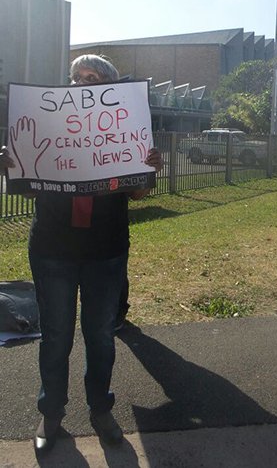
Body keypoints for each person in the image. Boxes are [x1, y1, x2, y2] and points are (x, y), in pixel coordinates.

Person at [0, 54, 163, 453]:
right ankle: (50, 413)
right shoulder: (45, 123)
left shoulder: (122, 125)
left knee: (100, 337)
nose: (82, 83)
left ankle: (100, 410)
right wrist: (11, 164)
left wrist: (148, 169)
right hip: (52, 249)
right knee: (55, 337)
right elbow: (23, 180)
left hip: (105, 251)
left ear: (108, 87)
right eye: (76, 77)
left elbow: (138, 191)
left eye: (92, 78)